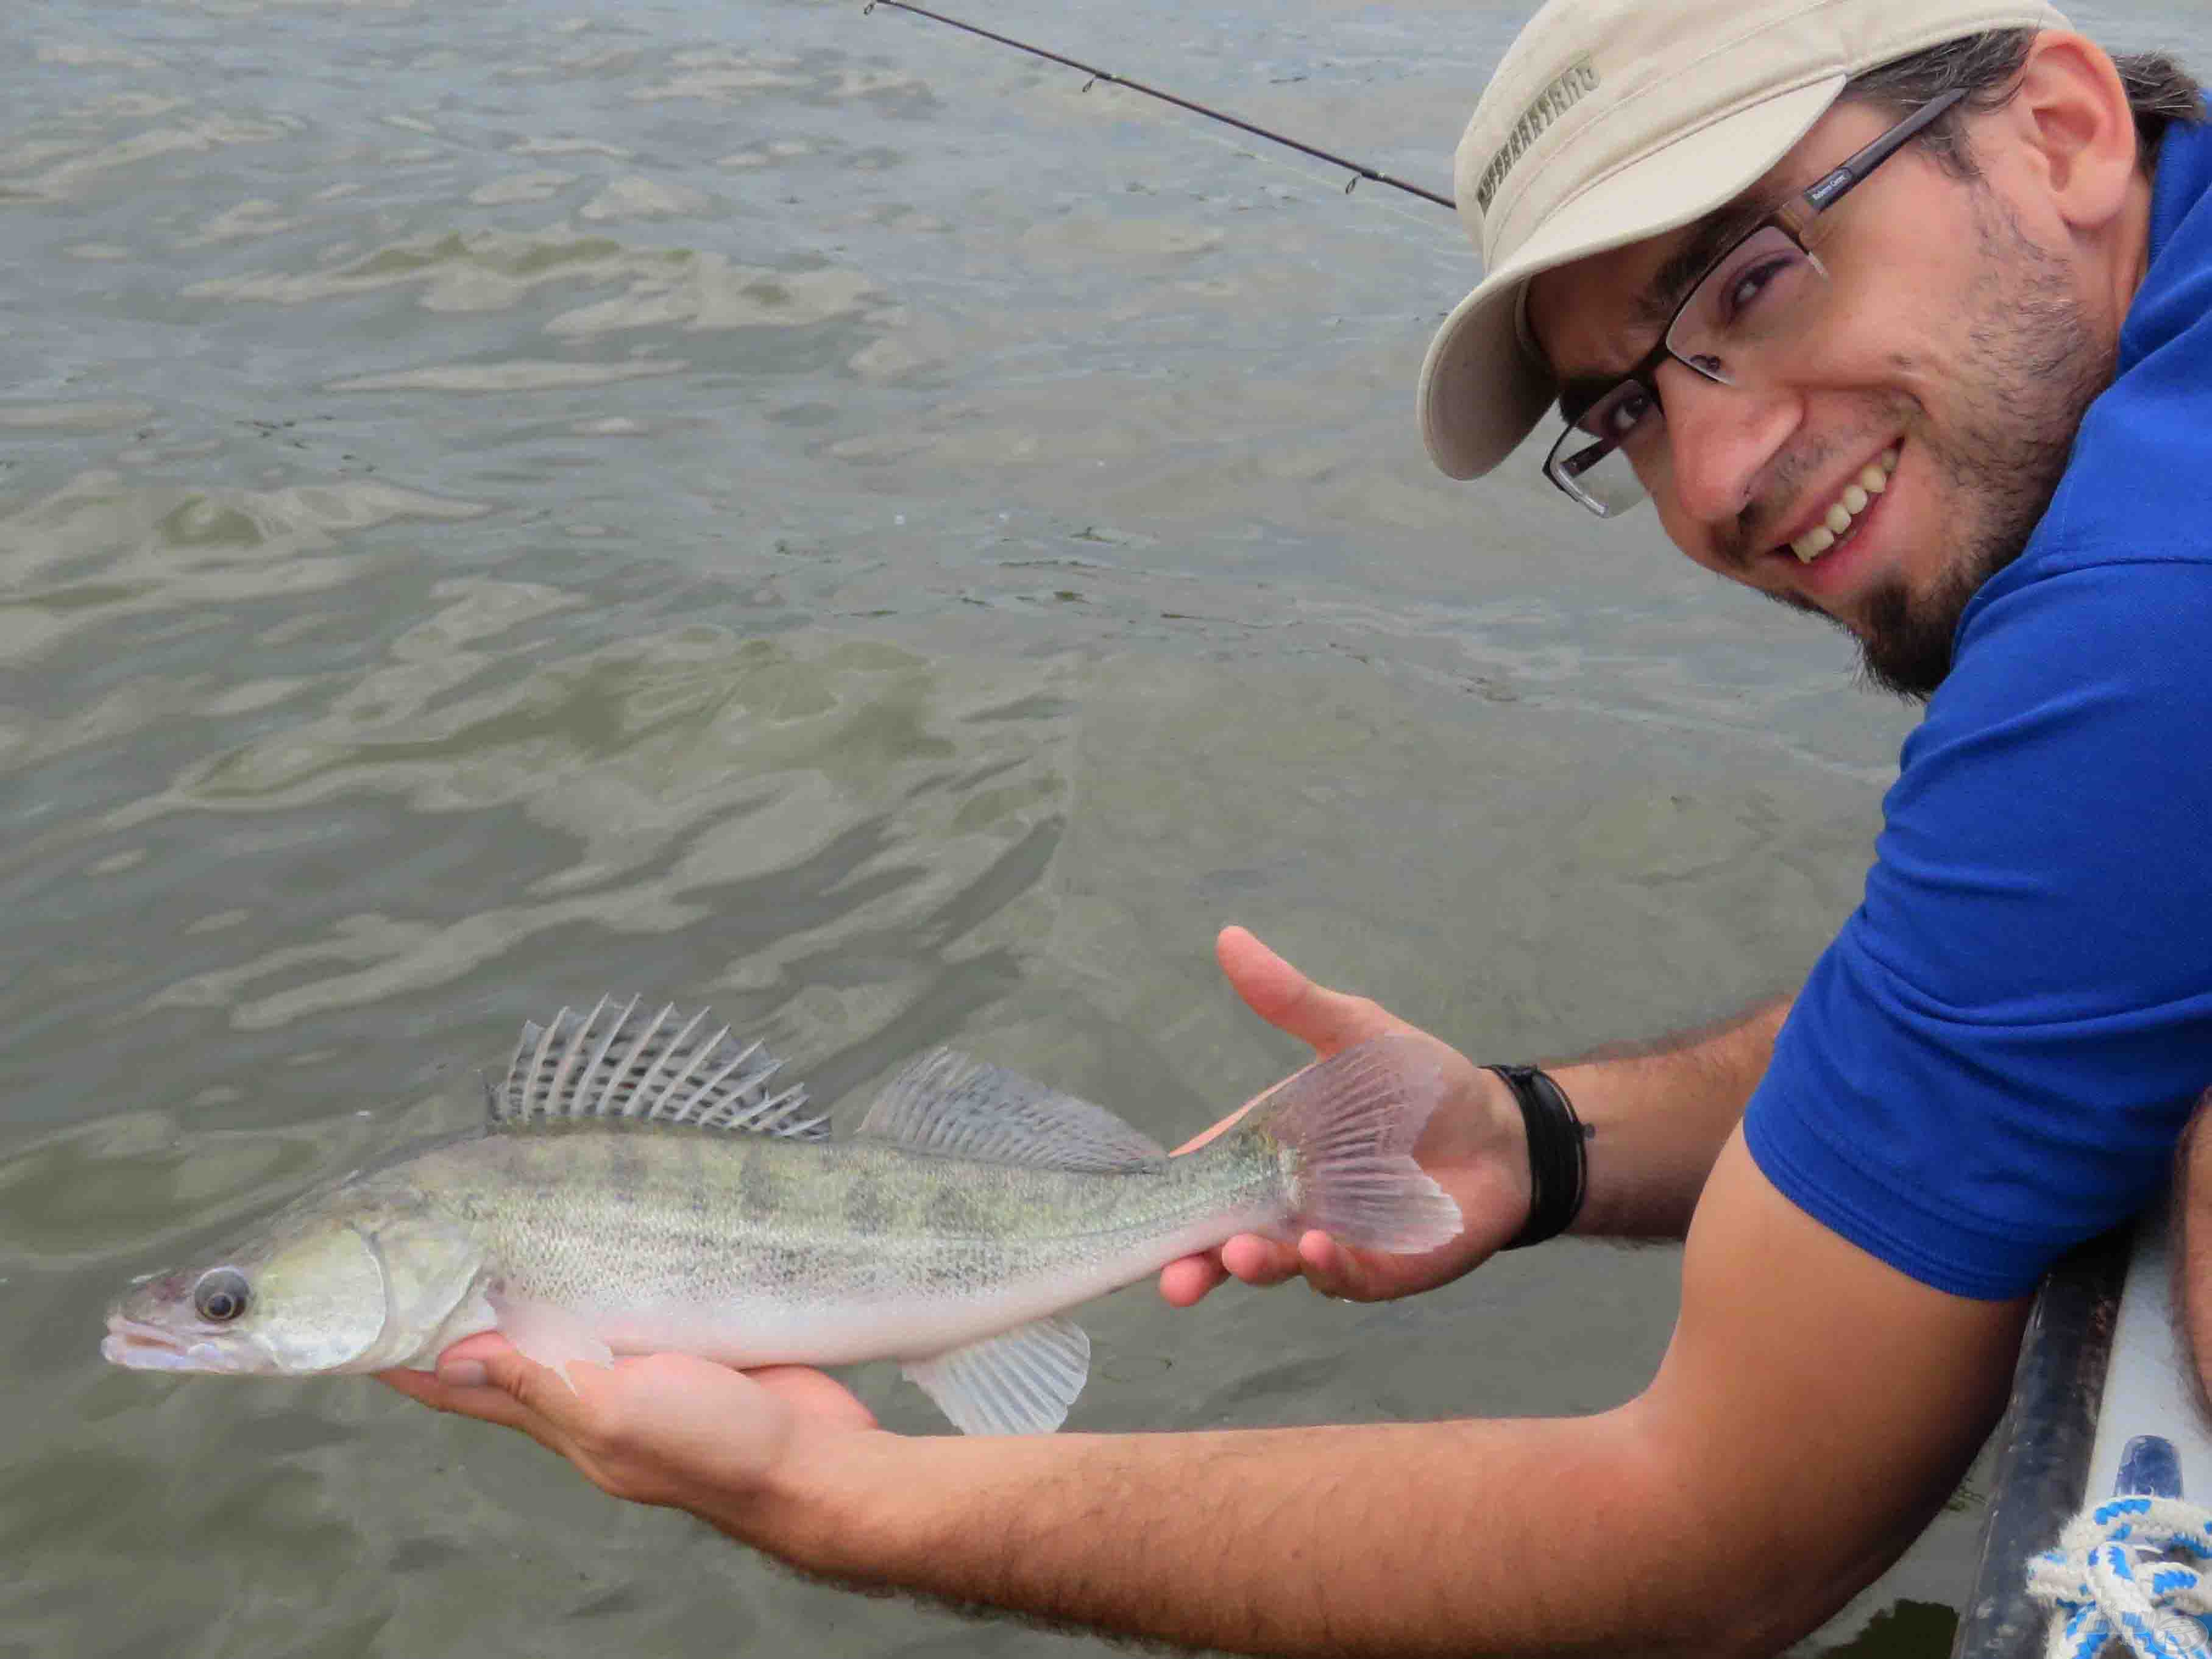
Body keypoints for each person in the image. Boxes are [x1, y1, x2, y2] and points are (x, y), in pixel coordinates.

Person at [381, 1, 2212, 1652]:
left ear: (2058, 127)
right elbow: (1994, 997)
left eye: (1751, 276)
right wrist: (1540, 1136)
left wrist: (816, 1489)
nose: (1720, 476)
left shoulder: (2136, 625)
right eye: (1627, 413)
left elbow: (1713, 1536)